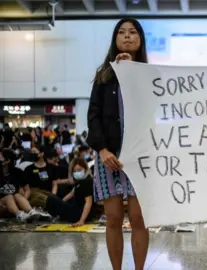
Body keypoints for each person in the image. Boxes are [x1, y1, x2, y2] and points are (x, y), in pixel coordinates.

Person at [87, 17, 149, 270]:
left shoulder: (150, 75)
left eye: (133, 32)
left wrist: (132, 71)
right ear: (115, 39)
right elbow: (93, 115)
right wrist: (101, 149)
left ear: (140, 39)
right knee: (113, 218)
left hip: (140, 155)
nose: (127, 36)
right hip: (108, 156)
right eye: (121, 32)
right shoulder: (103, 75)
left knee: (138, 218)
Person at [45, 158, 94, 226]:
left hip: (79, 214)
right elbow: (71, 193)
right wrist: (60, 202)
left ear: (85, 169)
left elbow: (89, 202)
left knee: (51, 198)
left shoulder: (87, 182)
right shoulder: (80, 182)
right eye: (75, 171)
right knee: (54, 199)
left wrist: (81, 220)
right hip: (77, 211)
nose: (77, 173)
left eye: (79, 170)